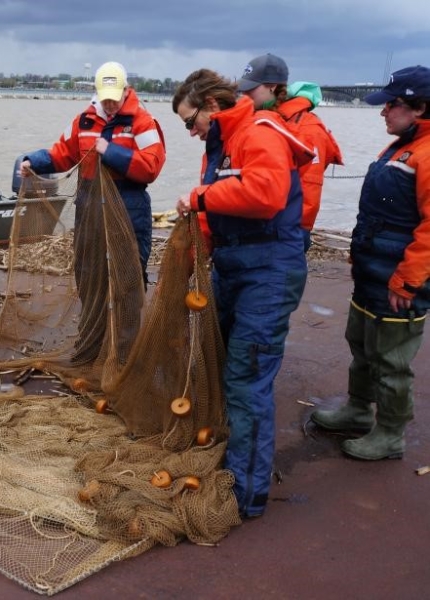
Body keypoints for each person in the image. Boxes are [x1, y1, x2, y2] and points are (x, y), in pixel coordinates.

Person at [173, 69, 314, 518]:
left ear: (211, 106)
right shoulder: (222, 144)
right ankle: (229, 454)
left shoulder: (259, 133)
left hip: (269, 272)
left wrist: (200, 197)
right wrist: (202, 247)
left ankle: (245, 495)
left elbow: (265, 194)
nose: (191, 132)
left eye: (190, 121)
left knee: (246, 378)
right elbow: (217, 207)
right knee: (217, 359)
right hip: (233, 268)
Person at [310, 65, 430, 460]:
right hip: (371, 274)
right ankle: (359, 410)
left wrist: (407, 282)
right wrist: (359, 252)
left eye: (391, 105)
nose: (382, 112)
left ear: (419, 107)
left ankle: (391, 433)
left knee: (391, 361)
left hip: (398, 282)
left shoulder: (426, 153)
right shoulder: (400, 146)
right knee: (360, 344)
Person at [20, 61, 166, 279]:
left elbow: (151, 167)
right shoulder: (83, 122)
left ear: (126, 91)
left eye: (114, 98)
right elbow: (62, 154)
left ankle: (126, 314)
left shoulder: (143, 122)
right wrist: (34, 162)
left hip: (129, 210)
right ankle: (93, 313)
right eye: (105, 97)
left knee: (128, 275)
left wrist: (111, 152)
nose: (109, 104)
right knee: (89, 273)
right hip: (90, 209)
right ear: (97, 92)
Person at [237, 53, 344, 247]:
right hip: (263, 224)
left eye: (251, 89)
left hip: (287, 230)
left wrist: (292, 232)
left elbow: (308, 189)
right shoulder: (265, 119)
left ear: (272, 87)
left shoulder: (307, 128)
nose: (245, 96)